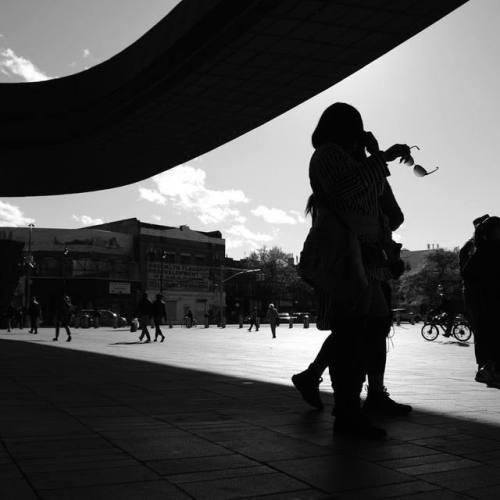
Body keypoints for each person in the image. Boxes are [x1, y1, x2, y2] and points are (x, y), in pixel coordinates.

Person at [293, 102, 413, 438]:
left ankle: (353, 404)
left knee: (369, 327)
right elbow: (345, 191)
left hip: (365, 255)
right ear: (345, 128)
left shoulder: (351, 158)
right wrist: (379, 159)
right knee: (351, 333)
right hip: (344, 254)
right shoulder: (326, 155)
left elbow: (383, 207)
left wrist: (373, 156)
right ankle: (347, 413)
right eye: (356, 128)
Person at [460, 215, 500, 386]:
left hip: (487, 298)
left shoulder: (482, 247)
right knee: (487, 333)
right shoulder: (477, 248)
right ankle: (487, 369)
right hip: (483, 299)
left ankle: (490, 368)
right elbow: (467, 274)